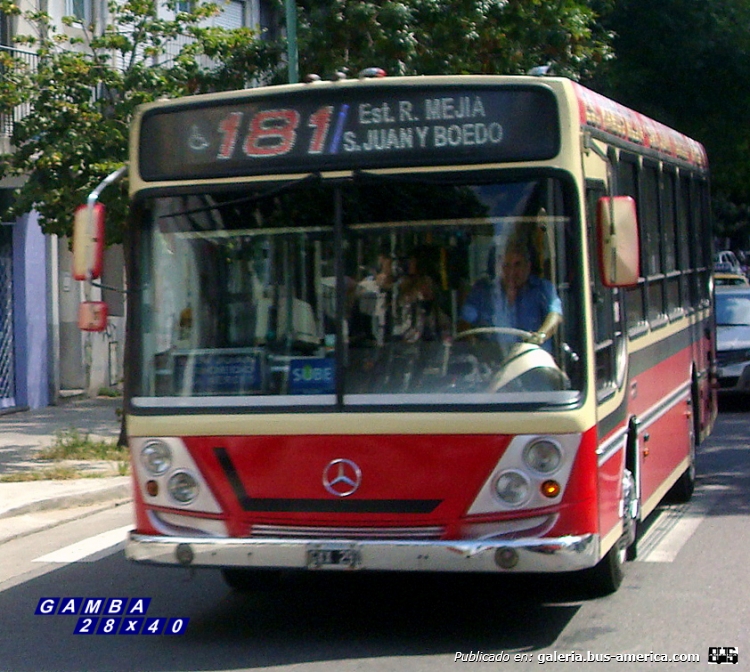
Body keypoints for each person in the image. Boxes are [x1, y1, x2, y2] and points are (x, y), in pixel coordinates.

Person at [460, 239, 562, 349]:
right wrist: (472, 345)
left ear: (528, 266)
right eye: (506, 265)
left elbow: (555, 315)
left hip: (532, 359)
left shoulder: (542, 288)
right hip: (491, 361)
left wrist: (540, 336)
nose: (511, 271)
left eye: (517, 265)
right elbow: (465, 321)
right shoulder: (482, 291)